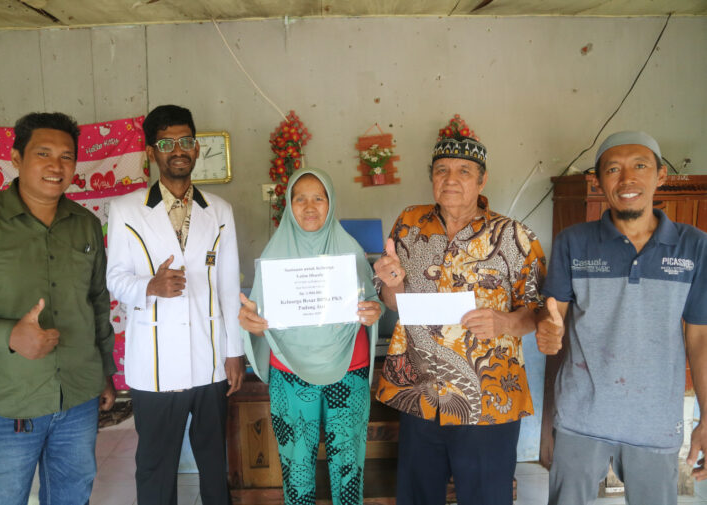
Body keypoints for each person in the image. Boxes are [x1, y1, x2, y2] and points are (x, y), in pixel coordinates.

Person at [0, 112, 116, 505]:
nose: (56, 166)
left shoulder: (86, 224)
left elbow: (96, 301)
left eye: (66, 156)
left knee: (72, 497)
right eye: (43, 153)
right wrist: (9, 335)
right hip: (7, 404)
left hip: (77, 398)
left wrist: (105, 373)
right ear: (15, 158)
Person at [373, 135, 546, 505]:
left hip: (487, 397)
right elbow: (392, 302)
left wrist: (505, 323)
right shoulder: (408, 224)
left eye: (464, 171)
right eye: (442, 170)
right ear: (432, 178)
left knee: (486, 497)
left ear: (482, 181)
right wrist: (392, 282)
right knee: (418, 497)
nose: (450, 179)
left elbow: (540, 310)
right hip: (419, 392)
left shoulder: (513, 236)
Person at [536, 131, 707, 505]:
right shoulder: (573, 241)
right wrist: (548, 330)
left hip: (655, 419)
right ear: (599, 181)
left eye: (640, 166)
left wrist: (706, 417)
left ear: (661, 175)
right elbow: (554, 314)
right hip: (581, 415)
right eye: (613, 169)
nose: (627, 179)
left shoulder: (694, 246)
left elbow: (700, 339)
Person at [106, 104, 244, 505]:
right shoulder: (126, 209)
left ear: (196, 148)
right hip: (154, 362)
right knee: (155, 465)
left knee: (214, 462)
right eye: (166, 143)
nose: (178, 150)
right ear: (152, 152)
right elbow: (115, 279)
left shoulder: (219, 210)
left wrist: (234, 352)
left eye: (186, 141)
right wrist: (150, 285)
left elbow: (227, 284)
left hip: (210, 357)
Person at [238, 167, 383, 505]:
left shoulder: (351, 251)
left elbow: (371, 303)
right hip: (290, 371)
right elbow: (256, 315)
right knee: (297, 466)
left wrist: (373, 311)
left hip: (348, 367)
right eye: (300, 198)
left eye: (319, 198)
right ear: (289, 205)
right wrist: (251, 323)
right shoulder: (274, 256)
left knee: (348, 467)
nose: (309, 206)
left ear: (331, 203)